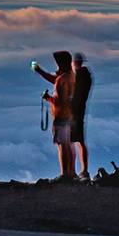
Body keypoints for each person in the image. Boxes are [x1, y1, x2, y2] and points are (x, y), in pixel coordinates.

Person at [32, 51, 76, 179]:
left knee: (62, 145)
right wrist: (40, 72)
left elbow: (60, 100)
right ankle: (71, 172)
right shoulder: (70, 76)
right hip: (69, 115)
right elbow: (55, 81)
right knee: (68, 145)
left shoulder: (62, 79)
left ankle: (64, 175)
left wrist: (48, 98)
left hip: (61, 116)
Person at [70, 51, 94, 181]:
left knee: (72, 142)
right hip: (80, 112)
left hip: (74, 113)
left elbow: (74, 95)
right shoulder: (87, 76)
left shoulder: (78, 76)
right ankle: (83, 170)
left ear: (74, 63)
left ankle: (74, 171)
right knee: (80, 142)